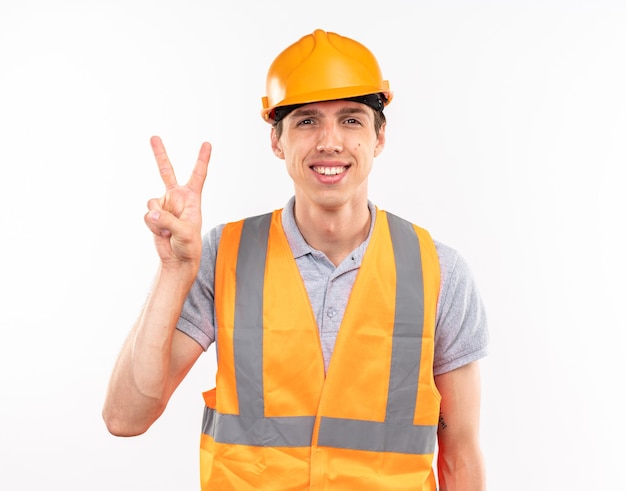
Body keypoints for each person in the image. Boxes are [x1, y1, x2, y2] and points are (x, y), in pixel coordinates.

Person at [103, 29, 489, 490]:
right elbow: (125, 417)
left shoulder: (439, 273)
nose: (330, 142)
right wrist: (173, 273)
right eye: (306, 121)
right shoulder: (223, 256)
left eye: (351, 120)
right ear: (276, 141)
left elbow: (460, 454)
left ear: (379, 136)